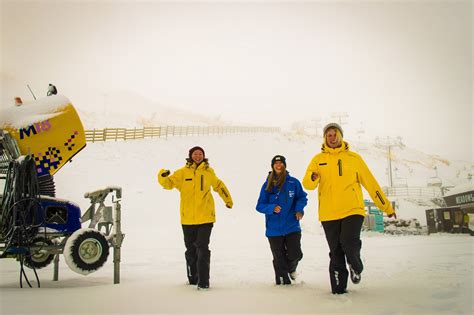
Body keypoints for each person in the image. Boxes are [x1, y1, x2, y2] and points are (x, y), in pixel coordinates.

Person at [302, 123, 396, 294]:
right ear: (325, 138)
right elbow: (307, 184)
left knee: (348, 242)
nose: (332, 137)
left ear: (340, 136)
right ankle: (338, 288)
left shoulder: (354, 159)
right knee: (336, 251)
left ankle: (355, 265)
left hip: (353, 210)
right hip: (328, 214)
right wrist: (312, 177)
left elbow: (371, 183)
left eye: (335, 134)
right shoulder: (318, 160)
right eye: (328, 135)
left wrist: (386, 206)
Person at [157, 146, 233, 290]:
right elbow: (168, 184)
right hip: (187, 219)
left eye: (200, 154)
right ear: (190, 156)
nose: (198, 156)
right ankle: (193, 279)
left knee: (203, 248)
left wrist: (228, 200)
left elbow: (219, 186)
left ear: (204, 156)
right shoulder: (181, 173)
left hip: (206, 218)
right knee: (190, 250)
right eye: (195, 154)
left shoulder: (209, 172)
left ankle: (204, 282)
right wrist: (162, 174)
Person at [256, 155, 308, 285]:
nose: (278, 165)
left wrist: (299, 209)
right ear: (272, 166)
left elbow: (302, 197)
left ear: (284, 165)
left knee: (295, 254)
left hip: (291, 226)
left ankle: (291, 269)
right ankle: (281, 283)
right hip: (274, 229)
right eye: (276, 163)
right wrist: (271, 208)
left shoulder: (293, 182)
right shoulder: (266, 185)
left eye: (281, 163)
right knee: (279, 258)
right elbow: (259, 205)